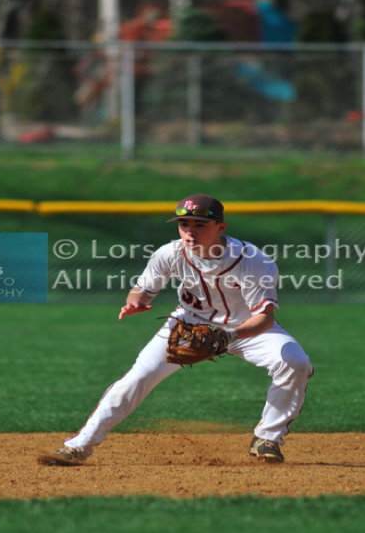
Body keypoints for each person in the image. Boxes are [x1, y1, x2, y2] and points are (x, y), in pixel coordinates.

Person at [51, 194, 313, 464]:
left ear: (220, 228)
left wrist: (229, 336)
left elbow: (265, 318)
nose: (190, 231)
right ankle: (79, 446)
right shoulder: (170, 253)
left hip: (245, 330)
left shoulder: (254, 261)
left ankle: (267, 439)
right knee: (138, 377)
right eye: (184, 223)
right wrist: (135, 302)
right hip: (188, 325)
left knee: (295, 361)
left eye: (199, 224)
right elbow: (141, 289)